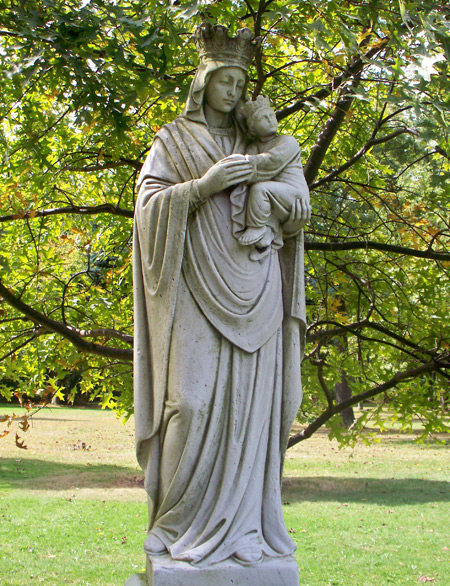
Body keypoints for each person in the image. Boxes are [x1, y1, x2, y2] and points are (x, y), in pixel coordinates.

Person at [133, 23, 310, 569]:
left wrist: (276, 200)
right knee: (190, 401)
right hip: (191, 285)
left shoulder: (261, 143)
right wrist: (205, 186)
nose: (232, 91)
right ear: (204, 80)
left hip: (257, 288)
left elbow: (300, 207)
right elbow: (147, 209)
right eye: (224, 80)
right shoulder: (173, 141)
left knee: (248, 412)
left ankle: (246, 526)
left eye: (240, 83)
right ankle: (176, 521)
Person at [231, 95, 310, 250]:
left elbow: (269, 162)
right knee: (259, 192)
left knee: (261, 189)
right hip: (277, 198)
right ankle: (270, 229)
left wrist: (237, 164)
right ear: (253, 128)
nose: (270, 120)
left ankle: (257, 226)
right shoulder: (255, 147)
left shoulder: (288, 141)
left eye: (271, 116)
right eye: (263, 118)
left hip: (296, 197)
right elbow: (251, 166)